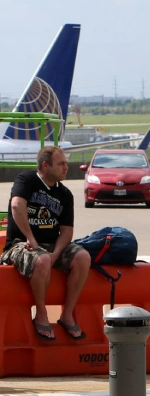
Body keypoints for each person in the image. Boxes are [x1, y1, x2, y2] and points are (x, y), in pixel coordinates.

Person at [2, 146, 90, 341]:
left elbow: (67, 230)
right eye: (61, 164)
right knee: (41, 260)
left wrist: (56, 254)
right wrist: (31, 239)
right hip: (20, 244)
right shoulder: (27, 180)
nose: (66, 167)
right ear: (45, 165)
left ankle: (67, 314)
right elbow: (17, 205)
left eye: (66, 163)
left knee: (83, 257)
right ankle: (41, 313)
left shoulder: (65, 194)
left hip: (51, 245)